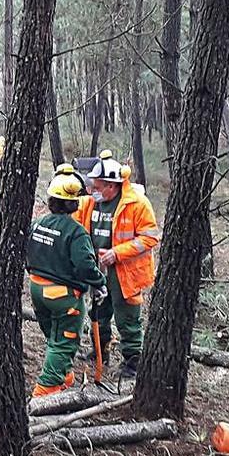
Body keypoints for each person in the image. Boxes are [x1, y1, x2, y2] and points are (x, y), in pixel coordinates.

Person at [74, 150, 160, 378]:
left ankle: (133, 362)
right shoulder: (89, 203)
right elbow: (71, 215)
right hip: (98, 271)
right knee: (98, 313)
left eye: (99, 186)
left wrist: (117, 253)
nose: (94, 190)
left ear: (112, 185)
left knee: (127, 318)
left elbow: (150, 237)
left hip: (125, 273)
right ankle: (99, 352)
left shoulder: (137, 203)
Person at [27, 165, 106, 397]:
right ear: (74, 202)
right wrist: (99, 282)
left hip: (36, 289)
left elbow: (27, 253)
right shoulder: (76, 232)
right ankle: (45, 390)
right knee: (63, 342)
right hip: (63, 296)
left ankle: (63, 375)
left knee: (53, 336)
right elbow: (85, 266)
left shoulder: (37, 224)